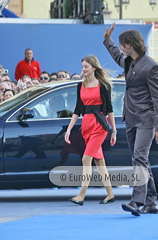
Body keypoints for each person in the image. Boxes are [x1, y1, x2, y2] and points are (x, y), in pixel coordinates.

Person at [103, 23, 158, 216]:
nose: (121, 48)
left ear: (131, 44)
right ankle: (151, 202)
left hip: (146, 120)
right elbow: (116, 56)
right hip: (130, 117)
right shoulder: (130, 61)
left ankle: (136, 201)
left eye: (123, 44)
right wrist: (108, 40)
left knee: (139, 157)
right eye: (121, 45)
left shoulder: (151, 67)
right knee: (141, 160)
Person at [65, 55, 117, 206]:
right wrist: (69, 130)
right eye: (82, 67)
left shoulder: (103, 86)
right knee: (100, 162)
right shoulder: (80, 86)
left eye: (86, 67)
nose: (83, 69)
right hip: (86, 126)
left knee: (86, 159)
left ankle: (81, 195)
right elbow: (77, 110)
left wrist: (113, 131)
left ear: (94, 68)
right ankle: (110, 194)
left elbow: (109, 110)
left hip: (99, 126)